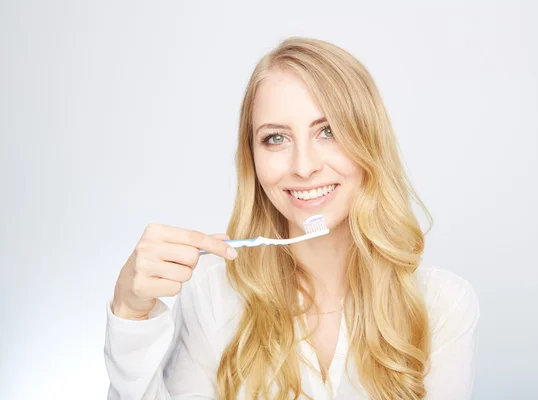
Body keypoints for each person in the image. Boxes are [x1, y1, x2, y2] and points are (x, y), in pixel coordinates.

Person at [104, 37, 480, 400]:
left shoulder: (442, 305)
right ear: (252, 157)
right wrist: (130, 312)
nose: (304, 167)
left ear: (370, 142)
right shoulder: (212, 293)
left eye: (328, 132)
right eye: (276, 139)